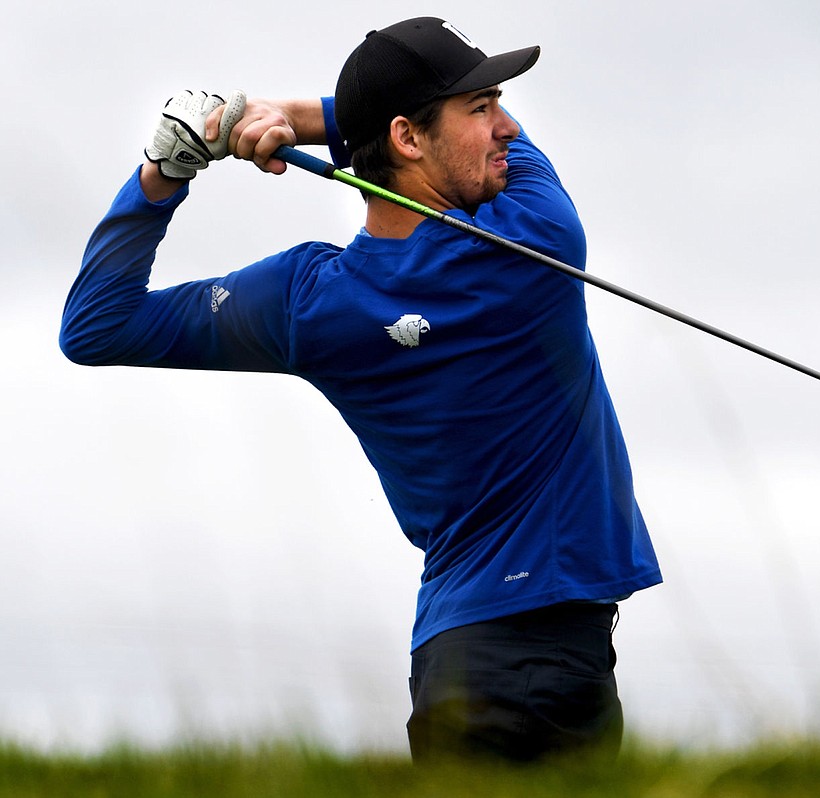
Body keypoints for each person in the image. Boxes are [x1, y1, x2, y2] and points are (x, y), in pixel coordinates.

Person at [61, 17, 662, 762]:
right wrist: (295, 114)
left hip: (453, 657)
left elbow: (97, 325)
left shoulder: (305, 304)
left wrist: (167, 169)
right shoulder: (535, 237)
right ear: (409, 139)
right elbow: (383, 121)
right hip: (544, 659)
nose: (505, 127)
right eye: (481, 108)